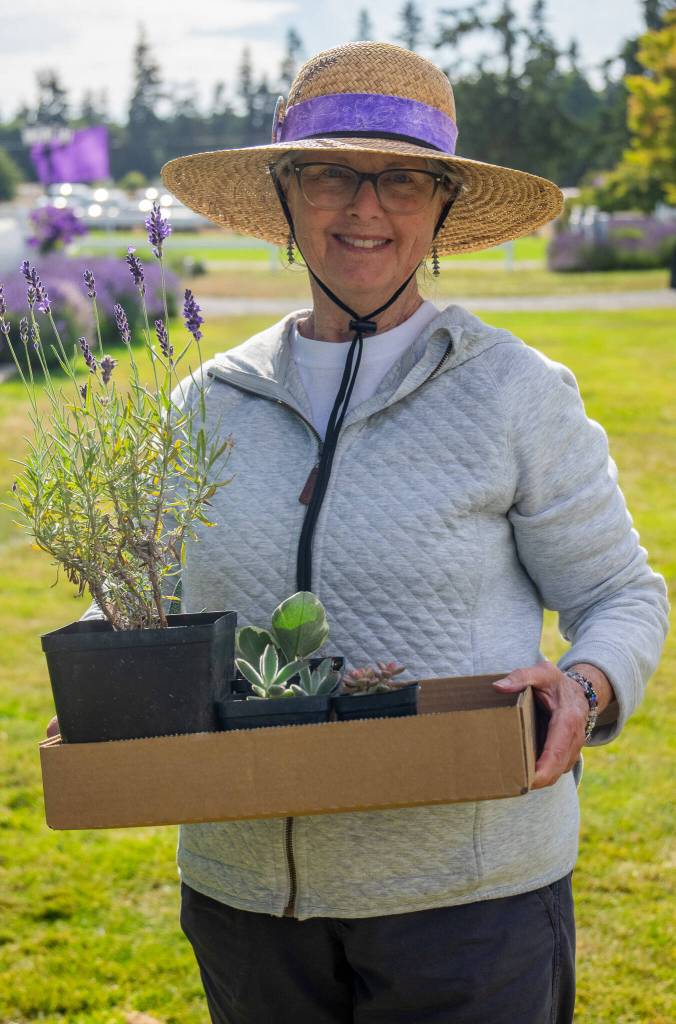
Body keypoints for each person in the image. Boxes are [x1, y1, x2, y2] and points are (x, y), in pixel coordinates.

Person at [65, 41, 668, 1024]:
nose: (365, 207)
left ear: (441, 209)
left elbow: (619, 595)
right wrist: (102, 679)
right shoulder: (205, 403)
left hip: (468, 908)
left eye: (402, 179)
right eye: (330, 174)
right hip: (247, 902)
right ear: (286, 195)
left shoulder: (513, 393)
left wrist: (589, 686)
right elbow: (146, 595)